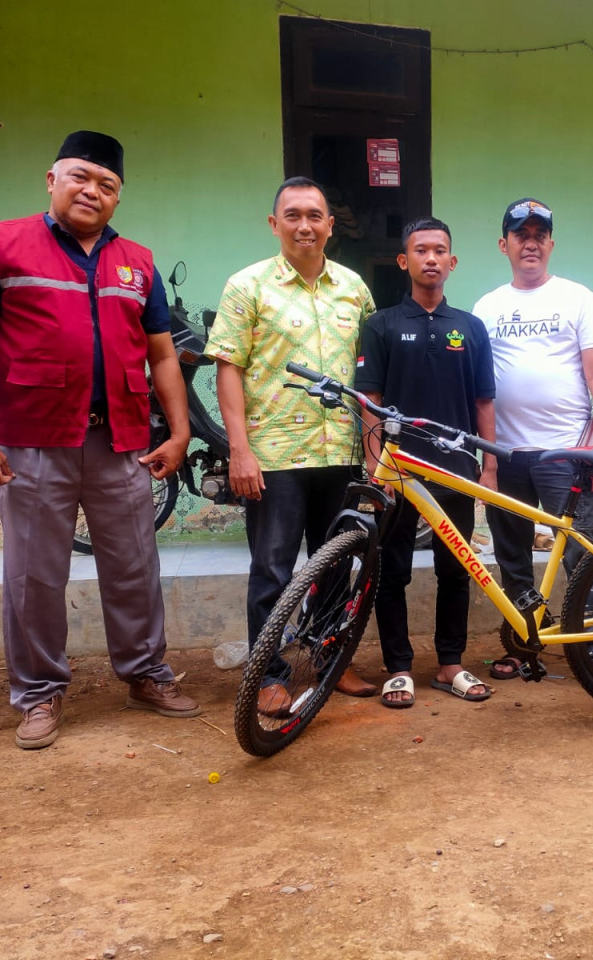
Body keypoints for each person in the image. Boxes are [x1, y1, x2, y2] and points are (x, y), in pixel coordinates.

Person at [0, 130, 201, 750]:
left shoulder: (136, 262)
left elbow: (162, 356)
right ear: (52, 180)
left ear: (118, 196)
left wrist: (182, 431)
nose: (93, 191)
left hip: (121, 442)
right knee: (33, 576)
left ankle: (145, 674)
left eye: (107, 185)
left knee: (135, 568)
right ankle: (37, 692)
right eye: (81, 177)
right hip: (34, 443)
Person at [206, 176, 377, 717]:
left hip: (342, 452)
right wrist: (239, 449)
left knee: (336, 567)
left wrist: (374, 454)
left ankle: (331, 660)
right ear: (274, 223)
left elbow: (368, 375)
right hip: (274, 455)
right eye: (294, 215)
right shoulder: (247, 286)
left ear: (330, 224)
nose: (305, 225)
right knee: (274, 570)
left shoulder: (354, 288)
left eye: (315, 215)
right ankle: (271, 673)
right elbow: (227, 370)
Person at [472, 198, 593, 681]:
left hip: (566, 453)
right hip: (507, 453)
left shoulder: (577, 297)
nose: (532, 242)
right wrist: (487, 457)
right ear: (505, 245)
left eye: (541, 234)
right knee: (512, 554)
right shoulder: (487, 306)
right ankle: (524, 644)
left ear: (552, 244)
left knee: (583, 555)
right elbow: (481, 389)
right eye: (522, 234)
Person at [355, 217, 497, 708]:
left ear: (452, 262)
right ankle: (398, 668)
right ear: (404, 261)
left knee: (456, 568)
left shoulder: (471, 328)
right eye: (421, 250)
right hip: (398, 471)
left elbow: (484, 403)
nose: (431, 258)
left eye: (440, 250)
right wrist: (378, 470)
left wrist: (490, 467)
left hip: (456, 469)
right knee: (391, 571)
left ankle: (450, 664)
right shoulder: (381, 325)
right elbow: (368, 401)